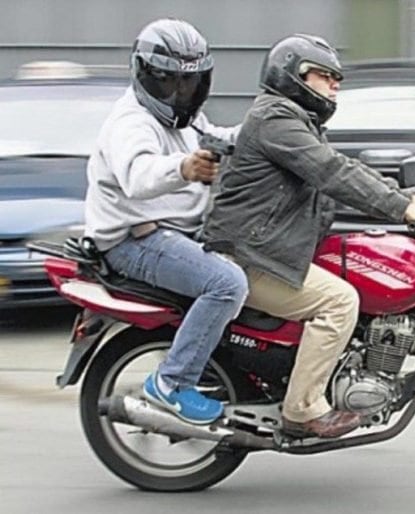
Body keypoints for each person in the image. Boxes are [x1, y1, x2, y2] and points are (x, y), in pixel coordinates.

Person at [203, 34, 415, 439]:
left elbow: (342, 169)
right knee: (340, 301)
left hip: (265, 246)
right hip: (248, 254)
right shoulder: (276, 120)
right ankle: (302, 409)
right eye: (325, 76)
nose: (335, 85)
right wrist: (404, 210)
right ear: (294, 76)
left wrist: (404, 199)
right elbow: (331, 173)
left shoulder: (293, 121)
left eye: (336, 77)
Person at [84, 18, 248, 425]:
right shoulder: (131, 121)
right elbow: (138, 176)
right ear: (146, 75)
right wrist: (184, 168)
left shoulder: (185, 117)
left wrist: (267, 130)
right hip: (135, 241)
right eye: (172, 83)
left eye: (190, 84)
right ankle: (172, 383)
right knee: (227, 284)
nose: (181, 93)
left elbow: (218, 138)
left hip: (177, 231)